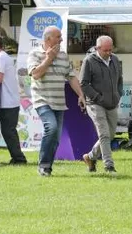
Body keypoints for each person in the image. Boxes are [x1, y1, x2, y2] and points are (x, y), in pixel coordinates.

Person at [27, 26, 86, 177]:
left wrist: (80, 94)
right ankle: (43, 166)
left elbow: (71, 76)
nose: (61, 39)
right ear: (48, 39)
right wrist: (49, 58)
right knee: (51, 128)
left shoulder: (63, 56)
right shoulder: (34, 54)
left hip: (59, 102)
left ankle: (47, 167)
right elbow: (35, 74)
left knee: (55, 137)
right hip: (42, 100)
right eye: (58, 36)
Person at [80, 36, 123, 174]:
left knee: (110, 135)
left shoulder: (115, 59)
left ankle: (90, 156)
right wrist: (98, 97)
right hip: (95, 103)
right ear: (98, 48)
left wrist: (118, 94)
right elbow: (84, 84)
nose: (109, 53)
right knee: (104, 134)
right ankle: (109, 166)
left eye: (111, 49)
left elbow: (120, 79)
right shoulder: (89, 61)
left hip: (112, 102)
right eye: (106, 50)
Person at [0, 33, 27, 165]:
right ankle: (16, 157)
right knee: (7, 131)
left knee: (8, 131)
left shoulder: (2, 57)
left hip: (9, 101)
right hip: (3, 101)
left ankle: (19, 158)